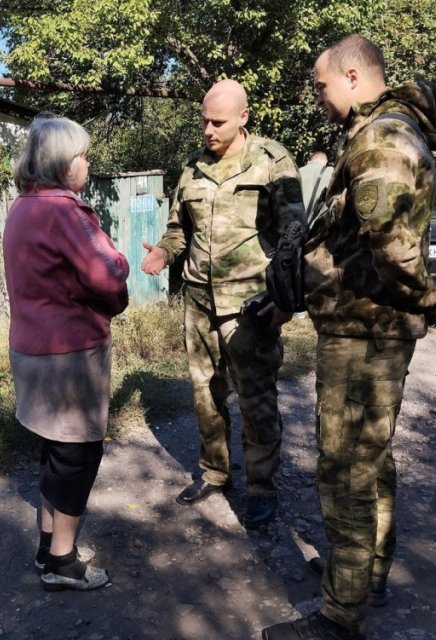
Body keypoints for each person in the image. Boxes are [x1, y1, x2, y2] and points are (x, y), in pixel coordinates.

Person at [262, 35, 436, 640]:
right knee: (371, 460)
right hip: (367, 325)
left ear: (352, 75)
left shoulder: (379, 139)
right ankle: (365, 575)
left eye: (321, 85)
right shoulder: (387, 131)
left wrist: (428, 297)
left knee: (345, 468)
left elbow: (392, 246)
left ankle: (339, 616)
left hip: (364, 329)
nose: (318, 98)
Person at [141, 79, 306, 529]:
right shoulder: (191, 168)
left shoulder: (272, 162)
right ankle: (215, 473)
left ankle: (261, 488)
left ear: (243, 118)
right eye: (204, 120)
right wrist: (163, 251)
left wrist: (287, 298)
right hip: (198, 299)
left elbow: (294, 236)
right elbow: (178, 229)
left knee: (256, 400)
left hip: (250, 303)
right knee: (205, 395)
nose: (208, 130)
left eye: (218, 122)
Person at [3, 115, 130, 592]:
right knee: (77, 454)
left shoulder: (23, 207)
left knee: (54, 449)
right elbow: (109, 276)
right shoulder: (66, 212)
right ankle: (62, 562)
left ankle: (46, 547)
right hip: (70, 354)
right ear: (63, 163)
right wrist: (118, 277)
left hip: (31, 349)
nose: (88, 162)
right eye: (82, 154)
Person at [299, 151, 333, 219]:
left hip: (291, 225)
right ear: (325, 163)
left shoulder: (296, 172)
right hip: (318, 227)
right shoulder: (332, 173)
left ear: (308, 161)